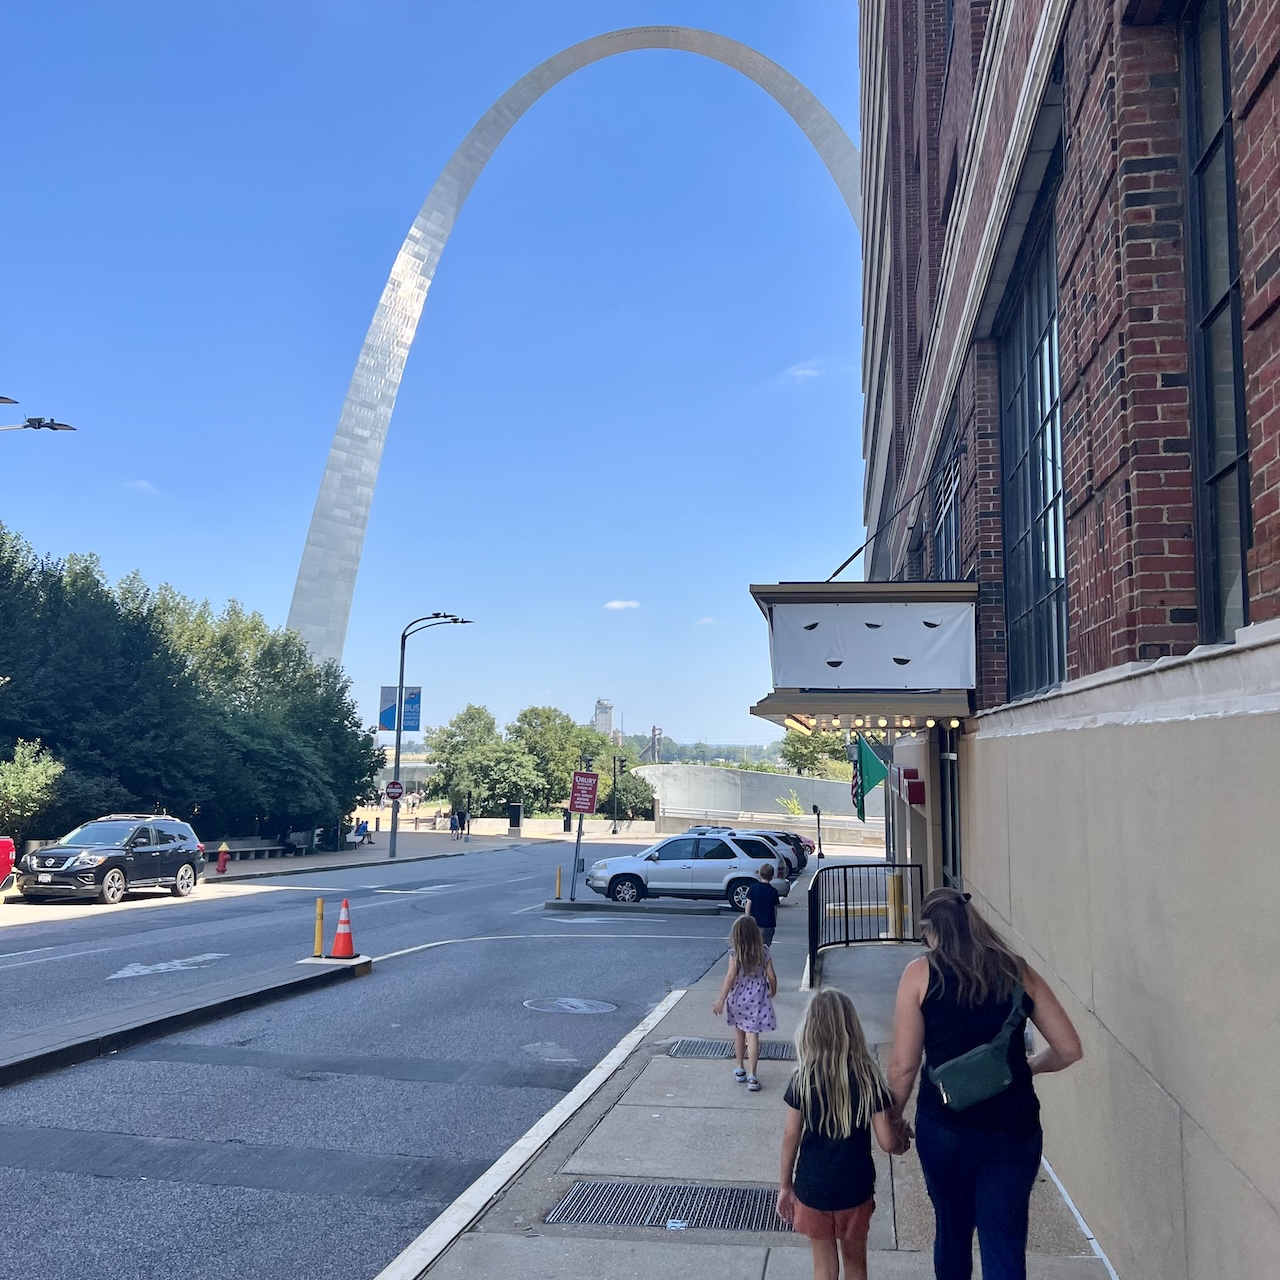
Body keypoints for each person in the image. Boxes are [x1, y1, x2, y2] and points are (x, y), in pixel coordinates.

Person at [888, 887, 1084, 1280]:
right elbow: (1068, 1048)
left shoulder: (919, 975)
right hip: (1013, 1129)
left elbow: (904, 1067)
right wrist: (1028, 1067)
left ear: (930, 930)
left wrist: (891, 1120)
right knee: (1004, 1238)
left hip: (944, 1130)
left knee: (952, 1230)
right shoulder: (1018, 971)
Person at [778, 989, 910, 1280]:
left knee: (824, 1269)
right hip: (855, 1186)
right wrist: (902, 1140)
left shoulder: (804, 1078)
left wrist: (785, 1186)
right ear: (852, 1028)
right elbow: (887, 1142)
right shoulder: (868, 1078)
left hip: (814, 1187)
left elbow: (791, 1135)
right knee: (856, 1264)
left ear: (811, 1029)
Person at [711, 915, 778, 1092]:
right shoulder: (764, 951)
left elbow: (730, 977)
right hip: (757, 999)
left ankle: (740, 1067)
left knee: (739, 1034)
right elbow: (771, 975)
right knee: (753, 1036)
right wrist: (774, 990)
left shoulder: (735, 954)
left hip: (738, 998)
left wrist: (721, 999)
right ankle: (752, 1076)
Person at [745, 862, 781, 946]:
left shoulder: (753, 888)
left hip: (755, 923)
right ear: (772, 876)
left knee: (753, 945)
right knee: (765, 946)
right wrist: (774, 921)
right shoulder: (773, 891)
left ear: (760, 874)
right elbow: (774, 909)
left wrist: (747, 918)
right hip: (768, 924)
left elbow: (748, 905)